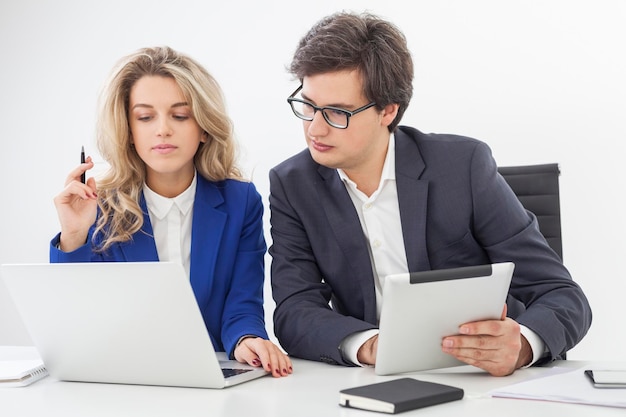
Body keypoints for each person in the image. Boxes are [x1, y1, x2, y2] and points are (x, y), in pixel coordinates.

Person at [268, 12, 591, 377]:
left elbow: (563, 296)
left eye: (337, 112)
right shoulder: (292, 184)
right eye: (308, 106)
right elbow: (294, 310)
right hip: (371, 380)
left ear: (387, 111)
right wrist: (370, 345)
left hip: (478, 377)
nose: (315, 127)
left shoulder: (462, 167)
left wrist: (522, 346)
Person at [51, 46, 292, 378]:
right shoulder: (97, 205)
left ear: (205, 127)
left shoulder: (241, 201)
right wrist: (74, 235)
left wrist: (246, 339)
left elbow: (243, 303)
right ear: (129, 131)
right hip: (119, 380)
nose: (162, 129)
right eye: (145, 117)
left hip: (208, 378)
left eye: (180, 115)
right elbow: (73, 321)